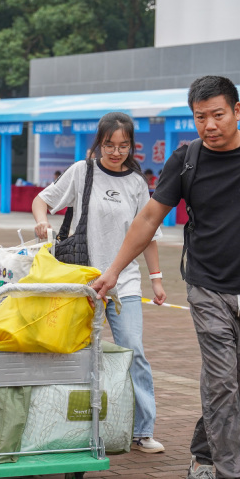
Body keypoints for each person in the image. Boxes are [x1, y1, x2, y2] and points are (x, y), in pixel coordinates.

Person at [91, 76, 240, 479]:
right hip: (206, 287)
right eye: (200, 117)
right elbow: (148, 218)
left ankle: (203, 450)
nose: (210, 125)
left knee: (236, 382)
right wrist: (113, 270)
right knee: (221, 382)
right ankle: (231, 471)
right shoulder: (187, 160)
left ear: (237, 111)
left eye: (218, 115)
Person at [33, 111, 168, 454]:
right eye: (109, 144)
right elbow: (42, 200)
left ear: (132, 146)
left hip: (125, 284)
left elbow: (148, 235)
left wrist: (156, 279)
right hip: (83, 283)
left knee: (133, 350)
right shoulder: (83, 171)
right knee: (74, 351)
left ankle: (143, 430)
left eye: (123, 145)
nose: (116, 151)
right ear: (99, 143)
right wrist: (41, 221)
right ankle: (65, 424)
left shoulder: (137, 183)